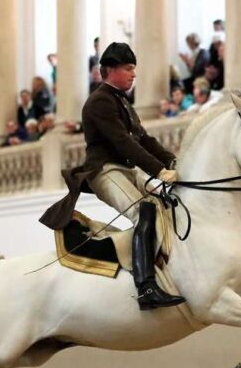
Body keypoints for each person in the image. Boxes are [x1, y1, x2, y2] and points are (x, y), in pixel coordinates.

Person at [39, 42, 185, 311]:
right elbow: (122, 142)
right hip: (105, 170)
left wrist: (174, 161)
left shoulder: (122, 101)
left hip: (126, 170)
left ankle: (166, 270)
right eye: (128, 69)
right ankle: (146, 287)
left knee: (165, 206)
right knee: (144, 211)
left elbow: (145, 140)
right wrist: (158, 170)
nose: (133, 74)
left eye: (134, 69)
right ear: (110, 70)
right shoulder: (99, 101)